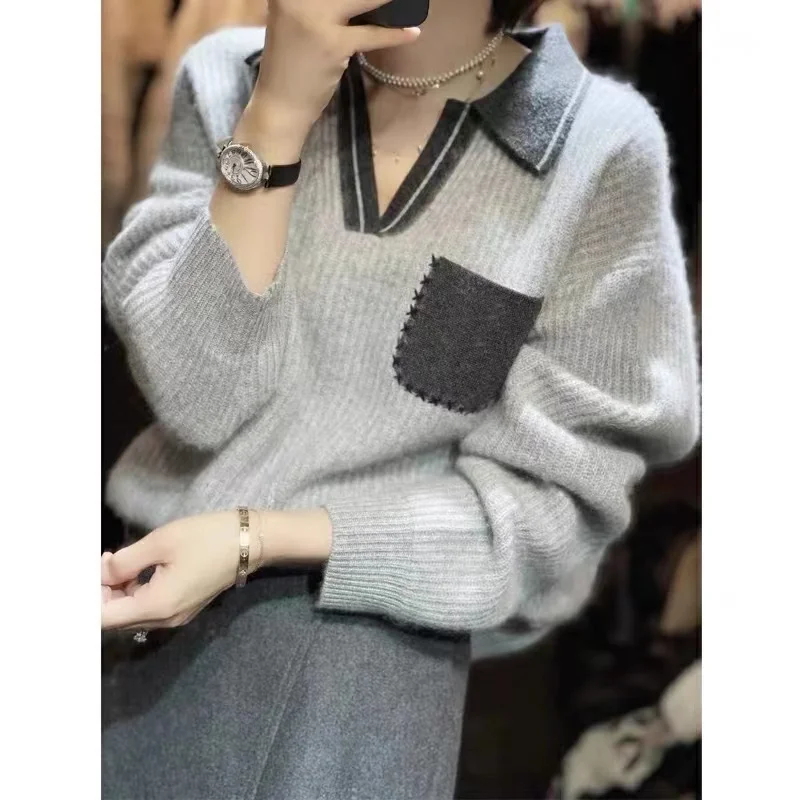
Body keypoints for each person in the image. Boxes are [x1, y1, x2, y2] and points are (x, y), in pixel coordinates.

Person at [100, 1, 699, 797]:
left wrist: (261, 537)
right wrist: (276, 117)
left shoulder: (596, 146)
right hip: (140, 628)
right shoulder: (227, 80)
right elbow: (198, 398)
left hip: (366, 678)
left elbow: (553, 511)